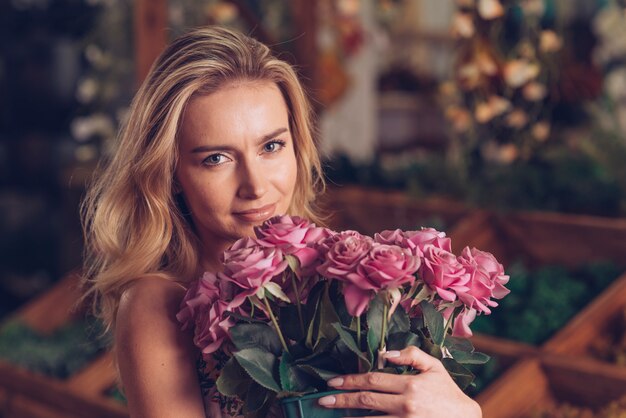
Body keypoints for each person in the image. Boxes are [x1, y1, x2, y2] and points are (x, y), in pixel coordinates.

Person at [81, 26, 482, 418]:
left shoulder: (338, 281)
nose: (255, 186)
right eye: (216, 159)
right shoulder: (158, 302)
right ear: (170, 174)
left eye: (271, 146)